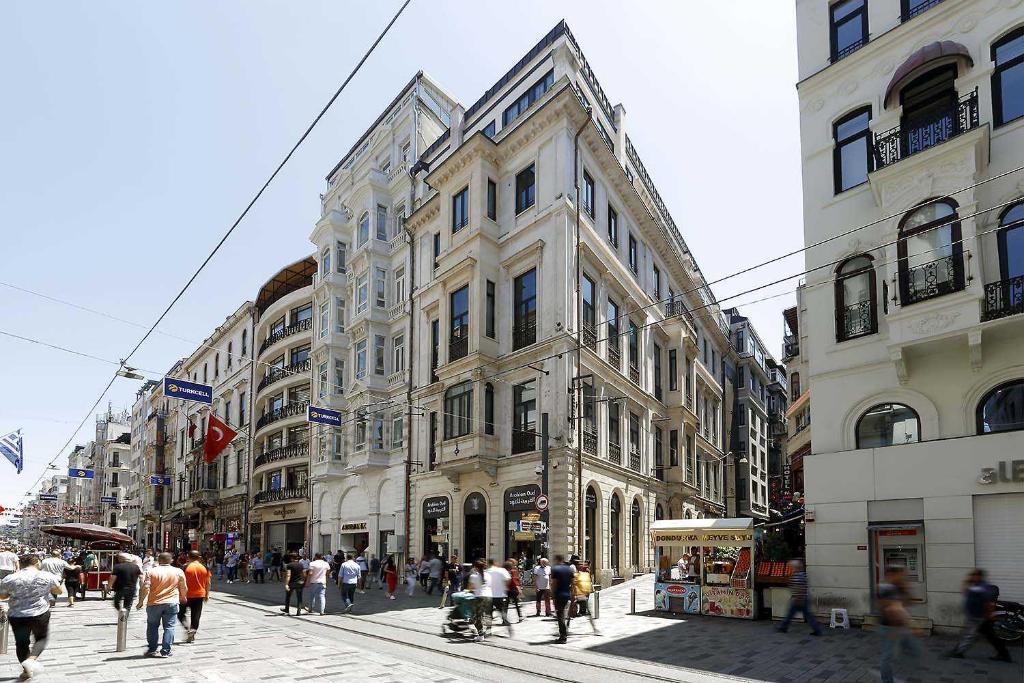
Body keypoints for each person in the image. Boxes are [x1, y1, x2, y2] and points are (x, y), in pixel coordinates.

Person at [0, 554, 63, 680]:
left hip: (17, 615)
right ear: (37, 563)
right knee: (41, 639)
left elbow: (2, 596)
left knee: (21, 643)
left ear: (21, 564)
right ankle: (31, 659)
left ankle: (26, 670)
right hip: (39, 614)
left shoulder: (10, 578)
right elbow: (59, 591)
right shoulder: (46, 576)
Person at [949, 568, 1012, 663]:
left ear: (979, 576)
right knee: (989, 635)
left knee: (970, 634)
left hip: (979, 616)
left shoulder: (983, 587)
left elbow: (989, 602)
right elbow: (964, 591)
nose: (972, 577)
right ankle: (1003, 654)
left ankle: (958, 651)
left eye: (974, 575)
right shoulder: (975, 585)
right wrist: (967, 581)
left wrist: (990, 614)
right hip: (975, 615)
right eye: (972, 575)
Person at [135, 552, 187, 658]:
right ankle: (166, 651)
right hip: (172, 602)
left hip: (154, 603)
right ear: (171, 560)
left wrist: (141, 601)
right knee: (169, 627)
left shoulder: (151, 571)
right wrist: (183, 597)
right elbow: (183, 587)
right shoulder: (178, 571)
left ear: (158, 560)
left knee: (152, 627)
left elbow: (145, 587)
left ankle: (152, 649)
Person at [876, 565, 922, 683]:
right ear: (891, 575)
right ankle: (887, 680)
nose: (903, 577)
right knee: (887, 657)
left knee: (913, 649)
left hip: (899, 627)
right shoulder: (885, 589)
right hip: (890, 628)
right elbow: (895, 609)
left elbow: (908, 602)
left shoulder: (896, 587)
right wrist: (912, 625)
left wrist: (905, 589)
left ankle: (906, 661)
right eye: (900, 574)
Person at [776, 559, 823, 636]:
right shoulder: (800, 574)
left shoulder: (799, 575)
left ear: (797, 567)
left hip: (799, 599)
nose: (792, 568)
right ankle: (817, 630)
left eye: (793, 567)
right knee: (803, 615)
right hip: (800, 598)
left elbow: (801, 587)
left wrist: (799, 598)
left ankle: (784, 627)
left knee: (792, 613)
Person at [178, 551, 211, 643]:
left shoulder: (185, 567)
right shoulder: (205, 568)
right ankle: (193, 630)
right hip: (200, 594)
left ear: (188, 557)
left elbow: (180, 581)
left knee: (180, 614)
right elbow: (208, 583)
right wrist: (207, 595)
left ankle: (187, 628)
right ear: (199, 557)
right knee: (196, 614)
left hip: (186, 595)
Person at [550, 554, 574, 643]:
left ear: (557, 560)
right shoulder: (569, 569)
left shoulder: (555, 569)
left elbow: (554, 583)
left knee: (560, 616)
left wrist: (552, 595)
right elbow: (573, 583)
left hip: (559, 594)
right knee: (563, 614)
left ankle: (563, 636)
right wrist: (573, 595)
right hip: (567, 594)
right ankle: (563, 634)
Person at [468, 560, 491, 641]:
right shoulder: (488, 575)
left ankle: (481, 635)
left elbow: (471, 588)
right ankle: (487, 630)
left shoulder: (474, 576)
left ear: (475, 567)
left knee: (475, 617)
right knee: (485, 615)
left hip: (479, 597)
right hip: (489, 597)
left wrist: (468, 590)